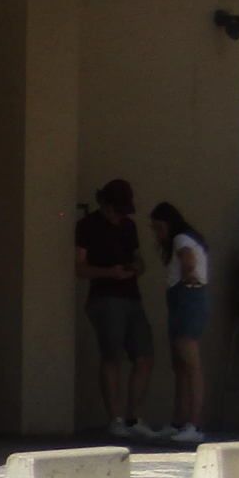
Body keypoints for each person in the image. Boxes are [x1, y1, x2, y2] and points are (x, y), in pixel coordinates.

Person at [75, 178, 154, 437]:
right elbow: (80, 267)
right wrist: (109, 272)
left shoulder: (128, 226)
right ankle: (116, 419)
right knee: (112, 357)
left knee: (144, 356)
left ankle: (135, 418)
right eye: (116, 209)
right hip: (105, 298)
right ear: (106, 204)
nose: (119, 215)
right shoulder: (88, 226)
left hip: (132, 296)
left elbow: (138, 258)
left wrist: (136, 268)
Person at [147, 201, 209, 445]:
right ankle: (179, 422)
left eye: (159, 227)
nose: (157, 233)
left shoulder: (180, 239)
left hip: (187, 298)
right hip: (182, 299)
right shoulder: (184, 238)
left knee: (190, 364)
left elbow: (188, 260)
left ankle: (196, 424)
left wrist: (187, 278)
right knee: (180, 365)